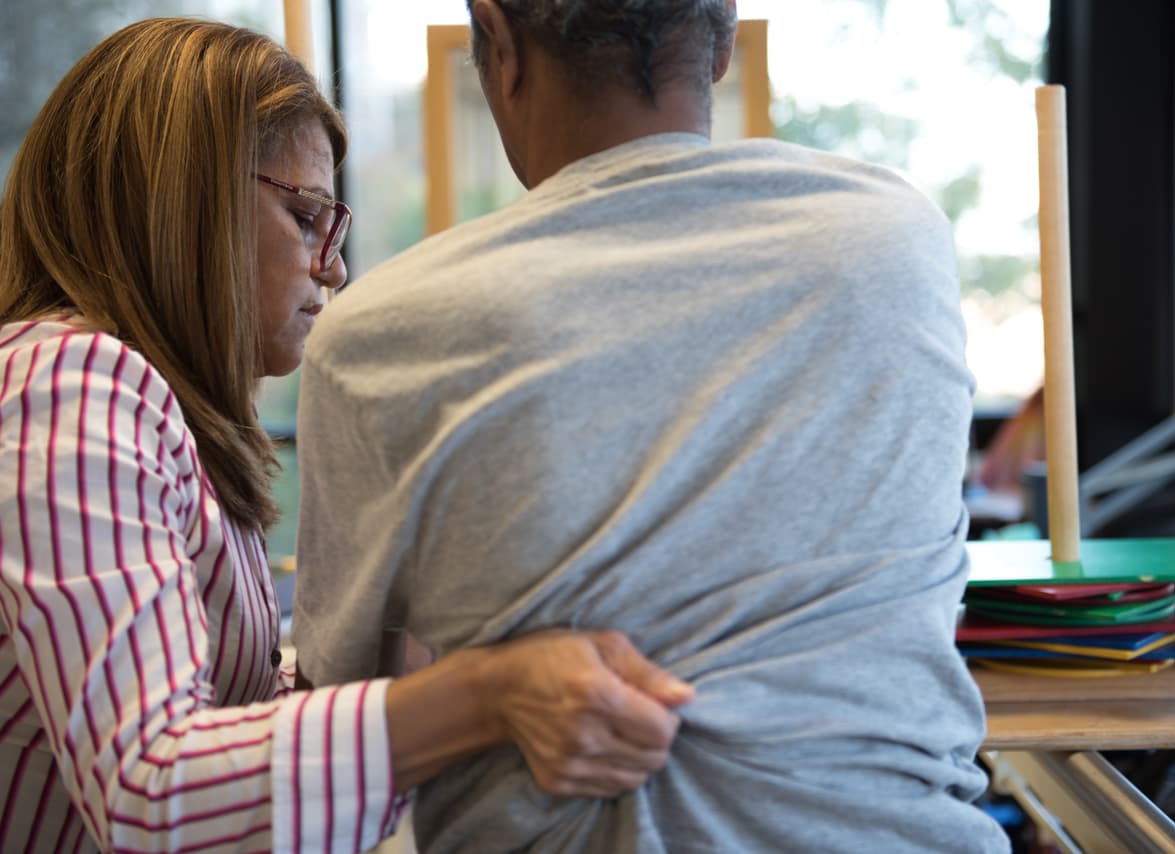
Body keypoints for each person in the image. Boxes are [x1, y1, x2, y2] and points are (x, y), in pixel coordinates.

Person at [292, 1, 1010, 851]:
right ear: (722, 42)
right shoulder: (898, 240)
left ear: (501, 43)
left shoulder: (382, 330)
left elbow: (344, 715)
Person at [0, 17, 694, 853]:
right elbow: (154, 790)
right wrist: (485, 694)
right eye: (304, 217)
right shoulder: (74, 380)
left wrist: (408, 619)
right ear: (181, 200)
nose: (332, 265)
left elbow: (226, 715)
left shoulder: (153, 413)